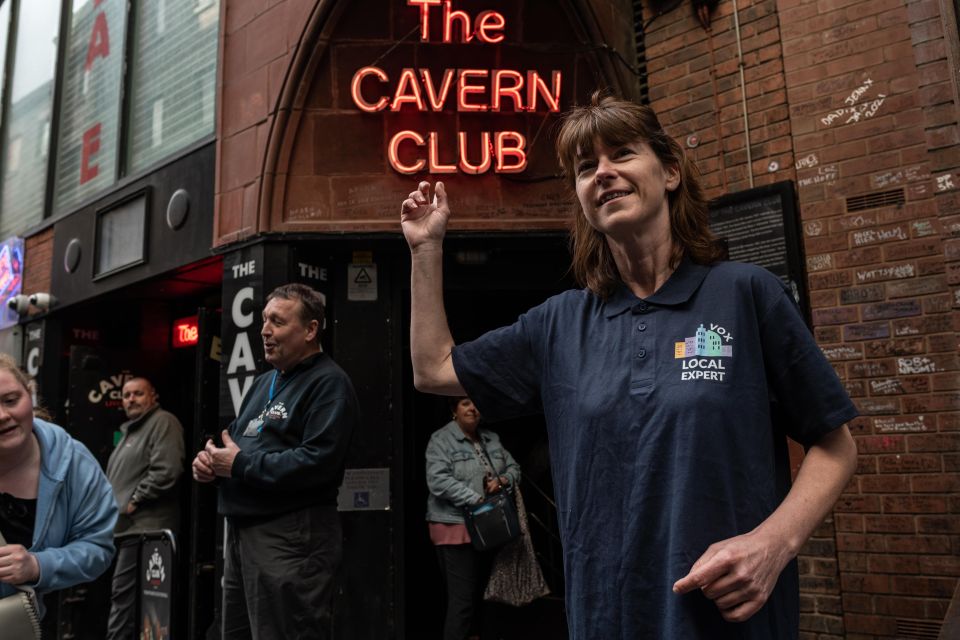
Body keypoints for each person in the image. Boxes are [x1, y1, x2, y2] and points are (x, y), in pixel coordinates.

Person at [399, 92, 859, 639]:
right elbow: (433, 370)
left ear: (668, 172)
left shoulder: (745, 295)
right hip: (607, 618)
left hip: (729, 619)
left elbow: (836, 444)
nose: (604, 173)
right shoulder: (560, 324)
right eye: (586, 166)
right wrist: (425, 251)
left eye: (621, 154)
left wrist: (773, 545)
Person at [192, 283, 358, 640]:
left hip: (292, 538)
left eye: (278, 322)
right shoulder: (264, 381)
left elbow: (318, 462)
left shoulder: (330, 384)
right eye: (264, 320)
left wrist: (237, 465)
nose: (265, 331)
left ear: (311, 330)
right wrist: (210, 463)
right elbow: (233, 442)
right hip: (244, 534)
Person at [0, 353, 117, 618]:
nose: (2, 416)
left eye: (10, 400)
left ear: (29, 395)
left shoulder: (72, 462)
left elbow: (98, 546)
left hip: (16, 626)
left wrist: (37, 566)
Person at [426, 396, 520, 640]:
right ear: (453, 410)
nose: (473, 408)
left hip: (491, 529)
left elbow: (515, 470)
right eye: (465, 403)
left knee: (486, 598)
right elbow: (438, 480)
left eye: (476, 403)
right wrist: (475, 498)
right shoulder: (441, 440)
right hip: (455, 528)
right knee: (463, 603)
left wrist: (503, 481)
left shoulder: (492, 439)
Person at [105, 376, 185, 640]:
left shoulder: (163, 422)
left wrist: (135, 499)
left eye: (138, 394)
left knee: (132, 603)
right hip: (126, 530)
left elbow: (167, 470)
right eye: (127, 395)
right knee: (128, 602)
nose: (131, 400)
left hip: (147, 531)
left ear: (153, 397)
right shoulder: (130, 430)